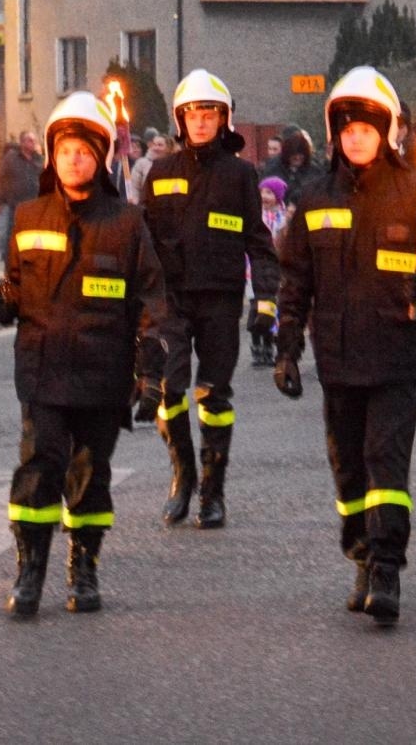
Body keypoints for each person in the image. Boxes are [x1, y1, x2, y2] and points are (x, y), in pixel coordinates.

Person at [275, 66, 416, 626]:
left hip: (399, 358)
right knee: (349, 470)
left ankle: (386, 568)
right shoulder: (313, 198)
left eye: (367, 127)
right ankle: (359, 554)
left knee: (386, 462)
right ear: (335, 134)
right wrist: (286, 350)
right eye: (347, 127)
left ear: (388, 132)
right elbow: (295, 283)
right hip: (338, 358)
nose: (356, 136)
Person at [0, 91, 166, 617]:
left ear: (100, 156)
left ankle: (84, 568)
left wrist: (151, 376)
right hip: (43, 371)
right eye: (64, 152)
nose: (73, 160)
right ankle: (30, 569)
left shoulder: (127, 224)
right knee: (39, 467)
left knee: (88, 475)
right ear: (52, 157)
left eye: (84, 151)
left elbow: (152, 302)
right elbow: (15, 290)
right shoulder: (30, 216)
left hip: (104, 378)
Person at [138, 69, 280, 530]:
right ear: (180, 120)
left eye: (210, 113)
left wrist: (265, 300)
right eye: (193, 113)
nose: (201, 121)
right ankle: (183, 476)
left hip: (220, 298)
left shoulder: (240, 175)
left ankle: (213, 493)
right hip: (171, 302)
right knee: (170, 390)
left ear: (225, 120)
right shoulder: (159, 173)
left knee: (213, 393)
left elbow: (259, 242)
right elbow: (140, 245)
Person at [249, 176, 290, 367]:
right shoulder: (255, 215)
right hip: (255, 269)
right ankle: (256, 344)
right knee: (255, 307)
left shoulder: (283, 218)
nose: (264, 196)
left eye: (269, 193)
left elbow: (285, 241)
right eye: (261, 192)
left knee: (270, 308)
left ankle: (269, 344)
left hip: (274, 269)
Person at [0, 131, 44, 259]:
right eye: (29, 140)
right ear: (22, 142)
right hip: (11, 203)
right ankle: (7, 256)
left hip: (33, 205)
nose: (33, 143)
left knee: (30, 235)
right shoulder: (11, 158)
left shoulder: (39, 160)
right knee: (4, 235)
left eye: (34, 140)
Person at [126, 133, 167, 205]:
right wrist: (136, 206)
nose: (156, 147)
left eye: (160, 145)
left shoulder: (175, 163)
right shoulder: (141, 164)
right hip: (146, 207)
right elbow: (134, 187)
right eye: (154, 144)